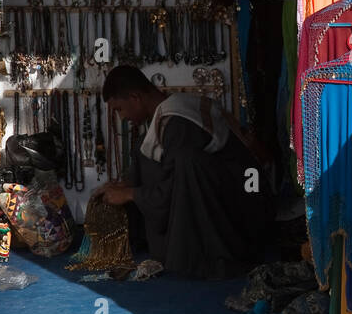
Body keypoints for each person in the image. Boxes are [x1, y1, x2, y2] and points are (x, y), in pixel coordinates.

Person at [91, 65, 269, 279]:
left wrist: (130, 194)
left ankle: (212, 257)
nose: (122, 118)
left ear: (135, 97)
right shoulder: (170, 113)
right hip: (234, 191)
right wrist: (125, 186)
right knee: (144, 149)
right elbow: (164, 172)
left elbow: (174, 185)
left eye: (120, 109)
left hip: (245, 207)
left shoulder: (178, 122)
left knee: (187, 160)